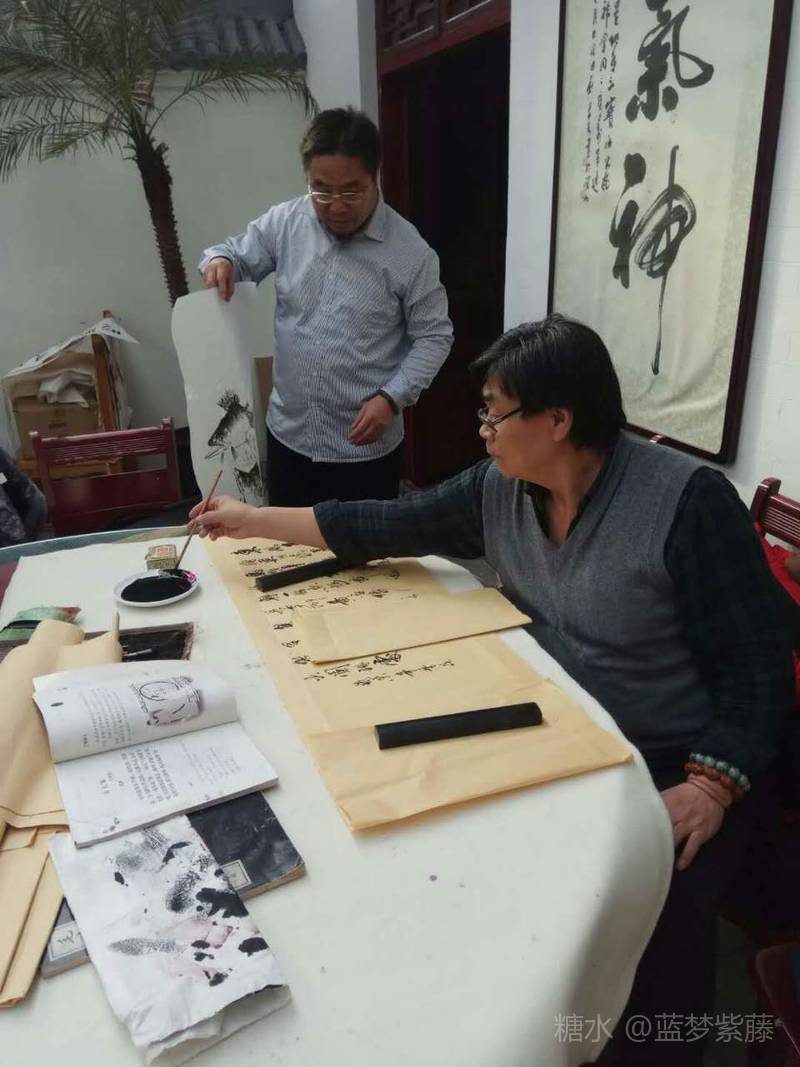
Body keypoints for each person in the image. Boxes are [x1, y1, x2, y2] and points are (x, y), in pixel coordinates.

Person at [189, 314, 794, 1066]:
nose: (482, 431)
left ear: (557, 420)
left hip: (675, 755)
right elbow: (386, 523)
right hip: (565, 722)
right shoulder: (503, 488)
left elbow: (759, 664)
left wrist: (710, 784)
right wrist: (252, 521)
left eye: (493, 414)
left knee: (653, 905)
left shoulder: (687, 503)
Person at [199, 106, 453, 506]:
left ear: (375, 176)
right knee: (286, 542)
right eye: (321, 190)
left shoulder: (410, 253)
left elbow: (435, 336)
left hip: (363, 452)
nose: (335, 205)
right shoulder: (285, 222)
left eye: (351, 191)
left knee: (361, 548)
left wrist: (391, 397)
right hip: (289, 438)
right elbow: (235, 254)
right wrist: (220, 260)